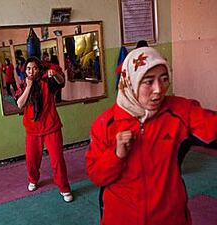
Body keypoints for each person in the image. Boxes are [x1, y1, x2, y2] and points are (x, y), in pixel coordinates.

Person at [85, 47, 217, 225]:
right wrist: (116, 155)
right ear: (130, 82)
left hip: (170, 217)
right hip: (121, 218)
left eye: (164, 79)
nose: (158, 90)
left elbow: (212, 126)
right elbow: (97, 176)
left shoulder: (180, 112)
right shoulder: (106, 124)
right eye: (148, 81)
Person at [17, 57, 73, 203]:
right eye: (29, 68)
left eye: (34, 68)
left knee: (57, 159)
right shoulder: (24, 84)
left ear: (39, 69)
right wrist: (28, 87)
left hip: (51, 127)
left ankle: (64, 188)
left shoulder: (47, 82)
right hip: (32, 129)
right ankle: (33, 179)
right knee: (31, 159)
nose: (31, 71)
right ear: (26, 70)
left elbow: (61, 82)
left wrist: (54, 74)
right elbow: (19, 104)